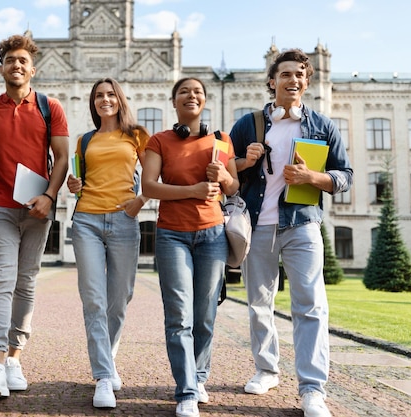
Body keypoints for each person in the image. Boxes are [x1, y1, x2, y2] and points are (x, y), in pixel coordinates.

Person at [229, 49, 353, 417]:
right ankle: (267, 370)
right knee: (258, 304)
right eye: (286, 74)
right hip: (258, 224)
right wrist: (243, 161)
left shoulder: (322, 125)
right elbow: (225, 177)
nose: (293, 80)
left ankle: (313, 389)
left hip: (302, 224)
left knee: (311, 306)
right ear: (272, 81)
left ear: (307, 82)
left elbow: (345, 175)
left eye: (300, 74)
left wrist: (312, 178)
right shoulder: (246, 125)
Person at [0, 34, 69, 398]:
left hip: (38, 207)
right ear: (2, 67)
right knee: (2, 282)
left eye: (22, 60)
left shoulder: (49, 106)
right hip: (0, 205)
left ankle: (14, 358)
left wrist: (49, 195)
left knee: (26, 283)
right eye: (10, 60)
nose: (16, 65)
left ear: (32, 68)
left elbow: (61, 158)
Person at [141, 77, 239, 417]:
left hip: (212, 235)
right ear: (174, 101)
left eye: (197, 91)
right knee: (179, 316)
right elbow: (150, 187)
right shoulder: (159, 141)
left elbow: (233, 186)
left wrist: (223, 178)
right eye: (184, 91)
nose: (191, 96)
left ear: (205, 100)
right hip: (172, 235)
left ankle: (199, 378)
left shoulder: (221, 140)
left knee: (206, 315)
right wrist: (193, 191)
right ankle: (185, 391)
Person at [66, 78, 150, 409]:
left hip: (124, 220)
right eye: (99, 96)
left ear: (120, 99)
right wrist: (74, 184)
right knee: (93, 299)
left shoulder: (137, 136)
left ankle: (108, 356)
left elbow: (155, 175)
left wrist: (141, 200)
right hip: (86, 219)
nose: (105, 99)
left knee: (121, 296)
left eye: (110, 94)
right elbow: (78, 180)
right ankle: (103, 376)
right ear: (93, 102)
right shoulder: (84, 140)